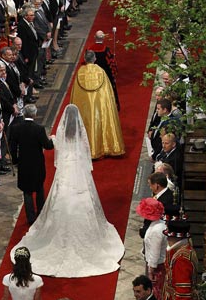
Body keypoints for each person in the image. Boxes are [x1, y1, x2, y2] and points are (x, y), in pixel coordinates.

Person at [12, 104, 125, 277]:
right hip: (78, 169)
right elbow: (86, 151)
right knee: (79, 199)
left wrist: (55, 141)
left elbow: (56, 150)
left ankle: (38, 219)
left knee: (58, 198)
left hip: (64, 170)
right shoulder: (80, 133)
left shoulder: (59, 133)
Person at [70, 50, 125, 160]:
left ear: (85, 59)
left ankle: (87, 149)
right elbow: (107, 92)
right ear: (95, 59)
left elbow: (75, 94)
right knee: (101, 121)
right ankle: (105, 146)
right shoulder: (101, 72)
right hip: (99, 106)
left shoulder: (80, 73)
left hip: (84, 106)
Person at [9, 103, 54, 226]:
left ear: (24, 114)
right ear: (35, 114)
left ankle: (30, 218)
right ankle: (41, 213)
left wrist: (15, 160)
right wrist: (53, 139)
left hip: (24, 163)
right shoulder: (39, 129)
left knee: (27, 191)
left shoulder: (16, 128)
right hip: (37, 163)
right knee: (39, 188)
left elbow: (12, 147)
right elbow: (47, 146)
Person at [136, 198, 167, 300]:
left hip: (157, 266)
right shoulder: (158, 224)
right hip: (155, 263)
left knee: (156, 291)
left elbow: (155, 251)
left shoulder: (156, 230)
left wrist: (151, 270)